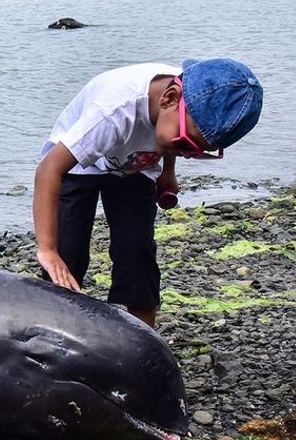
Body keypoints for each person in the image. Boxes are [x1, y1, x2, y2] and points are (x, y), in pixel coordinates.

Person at [33, 58, 263, 328]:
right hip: (78, 165)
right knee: (67, 253)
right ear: (168, 98)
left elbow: (172, 135)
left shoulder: (186, 101)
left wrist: (168, 172)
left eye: (200, 151)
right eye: (187, 145)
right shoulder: (112, 113)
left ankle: (141, 339)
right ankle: (52, 331)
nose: (189, 155)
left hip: (134, 165)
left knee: (137, 251)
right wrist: (47, 250)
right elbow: (49, 170)